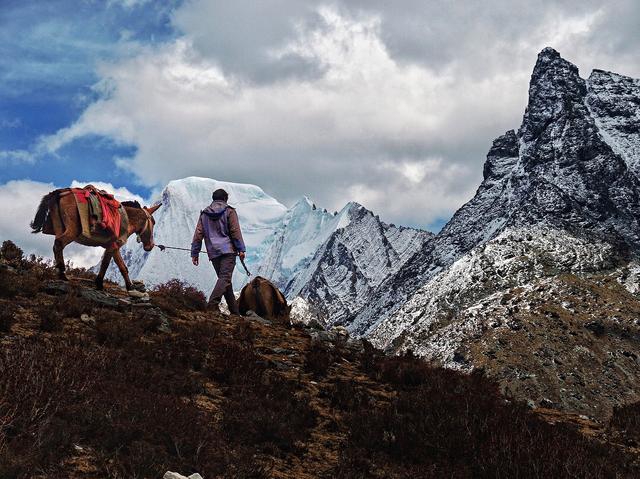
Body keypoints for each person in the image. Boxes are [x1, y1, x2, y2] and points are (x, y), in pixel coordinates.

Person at [191, 188, 246, 314]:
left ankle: (235, 312)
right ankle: (212, 305)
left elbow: (198, 234)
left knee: (225, 282)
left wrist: (195, 253)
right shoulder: (229, 211)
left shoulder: (204, 214)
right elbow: (235, 231)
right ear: (225, 199)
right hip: (228, 251)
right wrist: (241, 249)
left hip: (213, 252)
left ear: (213, 199)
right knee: (225, 279)